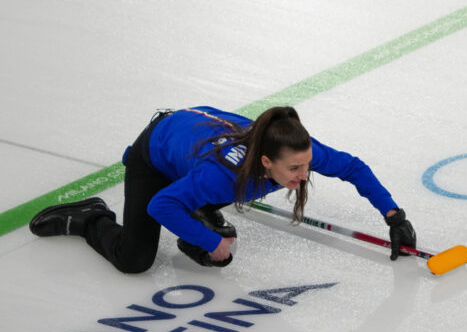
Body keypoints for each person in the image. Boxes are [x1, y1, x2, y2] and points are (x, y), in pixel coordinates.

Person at [29, 105, 416, 273]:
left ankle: (197, 211)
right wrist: (209, 242)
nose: (304, 174)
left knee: (210, 222)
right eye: (294, 169)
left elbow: (352, 167)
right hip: (154, 157)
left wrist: (393, 215)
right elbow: (161, 206)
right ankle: (88, 217)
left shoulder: (294, 147)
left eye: (307, 164)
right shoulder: (224, 176)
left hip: (192, 152)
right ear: (267, 163)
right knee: (134, 260)